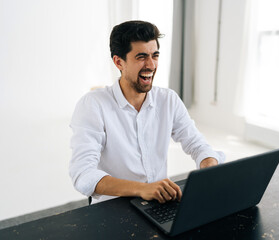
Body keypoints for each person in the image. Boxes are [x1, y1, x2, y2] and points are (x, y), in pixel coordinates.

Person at [69, 20, 225, 204]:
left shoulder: (168, 100)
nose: (151, 65)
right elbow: (83, 175)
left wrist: (208, 170)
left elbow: (198, 145)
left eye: (155, 55)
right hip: (112, 210)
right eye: (141, 57)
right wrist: (142, 189)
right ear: (119, 62)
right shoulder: (93, 105)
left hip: (158, 204)